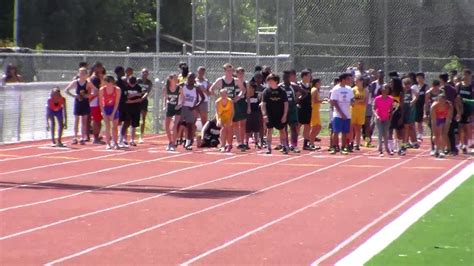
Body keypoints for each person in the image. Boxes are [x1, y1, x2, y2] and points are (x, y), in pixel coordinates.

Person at [209, 64, 247, 148]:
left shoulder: (236, 80)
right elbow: (211, 89)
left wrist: (238, 97)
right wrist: (218, 97)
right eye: (228, 70)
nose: (230, 72)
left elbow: (243, 89)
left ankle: (238, 142)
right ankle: (225, 143)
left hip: (232, 104)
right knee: (224, 125)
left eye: (231, 70)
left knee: (235, 124)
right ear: (224, 71)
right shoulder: (221, 80)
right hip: (223, 105)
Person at [65, 67, 96, 145]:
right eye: (80, 73)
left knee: (84, 121)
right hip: (78, 102)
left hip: (85, 103)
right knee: (76, 120)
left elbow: (96, 90)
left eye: (83, 73)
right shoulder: (75, 82)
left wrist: (89, 95)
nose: (81, 75)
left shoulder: (88, 82)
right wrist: (74, 96)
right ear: (78, 74)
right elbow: (66, 90)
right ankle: (75, 137)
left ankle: (83, 137)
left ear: (86, 75)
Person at [261, 73, 289, 154]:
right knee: (269, 130)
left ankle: (284, 146)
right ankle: (268, 147)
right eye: (268, 81)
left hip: (279, 114)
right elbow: (263, 104)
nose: (269, 82)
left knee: (282, 130)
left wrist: (284, 115)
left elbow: (286, 104)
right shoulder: (266, 91)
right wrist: (264, 114)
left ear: (276, 81)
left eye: (271, 80)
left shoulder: (282, 91)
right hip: (270, 114)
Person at [281, 70, 307, 152]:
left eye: (286, 77)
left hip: (292, 109)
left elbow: (305, 93)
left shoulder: (294, 86)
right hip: (283, 109)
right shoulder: (280, 86)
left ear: (289, 77)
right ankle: (285, 145)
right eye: (283, 77)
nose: (284, 78)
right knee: (283, 128)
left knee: (293, 128)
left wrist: (297, 100)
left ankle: (294, 145)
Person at [330, 73, 354, 155]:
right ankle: (334, 147)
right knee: (336, 132)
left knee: (345, 132)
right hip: (338, 114)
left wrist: (353, 102)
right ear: (343, 80)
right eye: (348, 79)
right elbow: (334, 102)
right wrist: (341, 113)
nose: (350, 80)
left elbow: (351, 100)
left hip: (347, 114)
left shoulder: (349, 89)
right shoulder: (336, 89)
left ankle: (343, 147)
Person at [179, 72, 204, 150]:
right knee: (178, 124)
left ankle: (188, 143)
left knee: (190, 126)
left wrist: (195, 107)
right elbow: (175, 92)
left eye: (192, 78)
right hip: (182, 107)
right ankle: (176, 140)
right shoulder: (182, 86)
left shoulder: (196, 88)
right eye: (189, 77)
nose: (191, 79)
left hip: (190, 108)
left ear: (194, 79)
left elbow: (202, 98)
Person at [439, 73, 462, 155]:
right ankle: (451, 148)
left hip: (445, 111)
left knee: (446, 131)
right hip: (452, 111)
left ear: (441, 79)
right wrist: (458, 112)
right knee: (450, 131)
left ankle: (450, 148)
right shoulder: (453, 88)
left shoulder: (442, 89)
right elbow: (456, 101)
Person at [99, 76, 121, 150]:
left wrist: (113, 113)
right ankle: (108, 143)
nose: (107, 84)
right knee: (107, 126)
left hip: (114, 108)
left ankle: (115, 142)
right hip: (106, 108)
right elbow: (100, 103)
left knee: (114, 127)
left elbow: (117, 102)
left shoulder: (117, 90)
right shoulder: (102, 90)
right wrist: (103, 113)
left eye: (108, 82)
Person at [373, 84, 394, 156]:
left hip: (386, 118)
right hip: (379, 118)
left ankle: (387, 149)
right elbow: (374, 108)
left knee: (386, 134)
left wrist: (390, 116)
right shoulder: (377, 99)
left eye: (387, 89)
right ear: (381, 90)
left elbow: (391, 109)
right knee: (380, 133)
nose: (385, 90)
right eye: (384, 88)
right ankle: (380, 150)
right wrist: (377, 116)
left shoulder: (390, 99)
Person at [424, 80, 445, 155]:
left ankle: (441, 147)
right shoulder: (428, 93)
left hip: (441, 113)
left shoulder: (441, 92)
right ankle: (433, 148)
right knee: (433, 131)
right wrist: (425, 114)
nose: (436, 88)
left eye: (437, 87)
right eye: (434, 87)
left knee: (441, 131)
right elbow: (426, 104)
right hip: (432, 114)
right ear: (432, 86)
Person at [88, 62, 106, 145]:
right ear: (96, 68)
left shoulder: (97, 77)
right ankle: (95, 138)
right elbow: (99, 90)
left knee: (98, 120)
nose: (102, 69)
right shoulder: (94, 78)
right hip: (95, 102)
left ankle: (97, 136)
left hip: (98, 101)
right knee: (96, 120)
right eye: (100, 67)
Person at [366, 70, 384, 147]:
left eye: (382, 74)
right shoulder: (373, 84)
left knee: (383, 123)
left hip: (383, 106)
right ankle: (368, 140)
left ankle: (382, 139)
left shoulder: (385, 85)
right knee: (371, 124)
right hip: (373, 105)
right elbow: (370, 94)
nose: (380, 76)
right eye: (379, 74)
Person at [430, 93, 453, 158]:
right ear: (437, 100)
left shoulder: (449, 105)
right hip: (436, 118)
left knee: (444, 134)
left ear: (445, 100)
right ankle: (437, 148)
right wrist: (435, 126)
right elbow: (433, 120)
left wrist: (446, 124)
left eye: (442, 100)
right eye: (439, 100)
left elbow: (449, 118)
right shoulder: (434, 106)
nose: (441, 102)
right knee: (435, 135)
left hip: (445, 118)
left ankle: (442, 150)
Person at [163, 74, 181, 151]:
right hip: (169, 108)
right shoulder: (166, 88)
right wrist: (164, 105)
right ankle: (170, 142)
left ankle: (173, 143)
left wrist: (180, 105)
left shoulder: (179, 88)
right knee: (167, 127)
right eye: (175, 78)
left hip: (177, 109)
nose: (176, 79)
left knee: (174, 127)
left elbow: (183, 98)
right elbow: (165, 98)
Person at [456, 69, 473, 154]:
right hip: (459, 109)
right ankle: (460, 144)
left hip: (468, 110)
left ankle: (466, 145)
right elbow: (456, 97)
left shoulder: (472, 86)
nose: (465, 76)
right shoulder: (459, 85)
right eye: (464, 75)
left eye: (467, 75)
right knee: (460, 128)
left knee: (466, 128)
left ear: (470, 76)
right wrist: (458, 109)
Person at [350, 75, 368, 151]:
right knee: (351, 128)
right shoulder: (353, 90)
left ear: (361, 81)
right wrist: (359, 101)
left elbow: (365, 102)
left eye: (357, 80)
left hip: (361, 111)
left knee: (358, 128)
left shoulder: (365, 90)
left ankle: (357, 144)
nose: (355, 82)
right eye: (355, 81)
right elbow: (352, 102)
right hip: (353, 111)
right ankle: (351, 142)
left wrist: (358, 101)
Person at [246, 72, 263, 149]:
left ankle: (257, 142)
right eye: (249, 88)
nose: (250, 89)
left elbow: (261, 102)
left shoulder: (257, 95)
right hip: (249, 114)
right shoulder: (247, 96)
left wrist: (260, 104)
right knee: (248, 129)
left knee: (256, 129)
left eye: (252, 88)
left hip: (256, 113)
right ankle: (246, 143)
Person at [388, 77, 405, 155]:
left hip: (397, 114)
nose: (390, 84)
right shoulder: (388, 92)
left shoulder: (400, 93)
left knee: (399, 132)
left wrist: (401, 117)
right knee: (390, 131)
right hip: (389, 114)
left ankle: (400, 148)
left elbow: (402, 106)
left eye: (392, 82)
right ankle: (391, 148)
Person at [297, 69, 313, 150]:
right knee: (298, 125)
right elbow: (297, 96)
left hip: (308, 108)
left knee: (307, 126)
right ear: (304, 76)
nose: (310, 77)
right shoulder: (299, 85)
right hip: (301, 107)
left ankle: (305, 144)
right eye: (308, 76)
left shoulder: (310, 86)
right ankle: (294, 144)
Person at [137, 68, 153, 144]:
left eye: (146, 73)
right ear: (141, 73)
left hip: (143, 101)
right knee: (133, 118)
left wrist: (142, 98)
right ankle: (133, 135)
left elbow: (147, 92)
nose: (145, 74)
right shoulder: (138, 81)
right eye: (143, 72)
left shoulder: (149, 82)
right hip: (136, 100)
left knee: (143, 119)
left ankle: (141, 136)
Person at [401, 78, 417, 149]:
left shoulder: (412, 91)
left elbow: (415, 97)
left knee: (410, 126)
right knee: (403, 127)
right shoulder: (401, 92)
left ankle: (412, 142)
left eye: (409, 84)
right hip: (402, 110)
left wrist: (412, 102)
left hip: (410, 110)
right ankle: (404, 142)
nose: (407, 86)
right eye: (405, 85)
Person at [413, 72, 428, 142]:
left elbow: (426, 98)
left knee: (423, 120)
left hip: (424, 105)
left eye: (421, 78)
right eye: (418, 78)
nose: (419, 79)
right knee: (418, 121)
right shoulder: (415, 87)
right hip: (417, 105)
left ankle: (421, 134)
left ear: (423, 78)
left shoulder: (426, 87)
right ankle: (419, 134)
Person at [309, 78, 323, 150]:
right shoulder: (314, 90)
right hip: (314, 111)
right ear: (317, 83)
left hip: (316, 111)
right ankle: (311, 142)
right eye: (320, 83)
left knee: (318, 127)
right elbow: (314, 101)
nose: (320, 84)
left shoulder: (314, 90)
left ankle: (311, 140)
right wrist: (322, 101)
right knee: (315, 127)